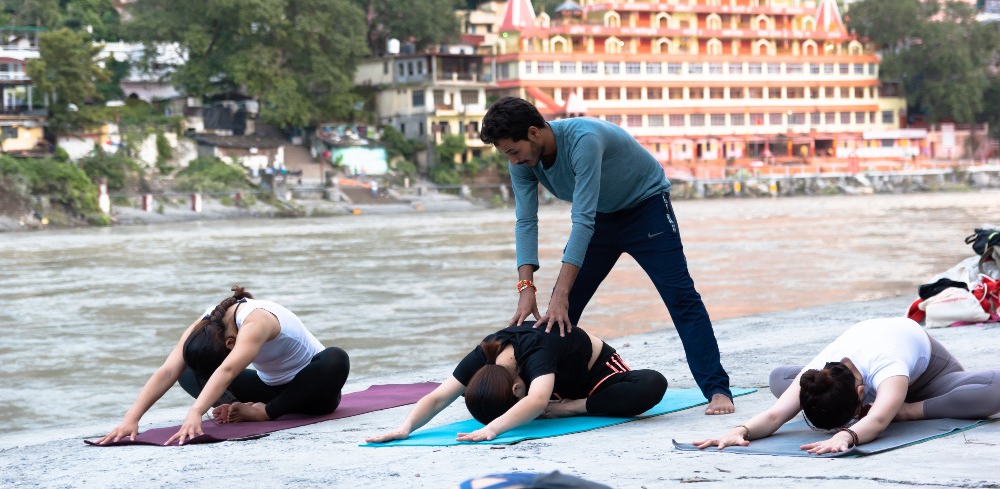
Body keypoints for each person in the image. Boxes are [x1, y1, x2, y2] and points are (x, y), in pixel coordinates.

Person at [478, 97, 733, 415]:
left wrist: (559, 294)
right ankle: (540, 390)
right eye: (507, 155)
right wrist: (525, 288)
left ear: (533, 133)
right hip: (601, 217)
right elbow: (526, 221)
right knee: (560, 316)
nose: (512, 162)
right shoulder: (522, 163)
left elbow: (582, 220)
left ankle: (717, 389)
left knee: (680, 297)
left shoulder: (584, 140)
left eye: (513, 152)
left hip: (646, 209)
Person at [694, 317, 1000, 454]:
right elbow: (775, 416)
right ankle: (893, 406)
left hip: (930, 379)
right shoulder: (819, 367)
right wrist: (740, 430)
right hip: (873, 387)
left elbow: (878, 421)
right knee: (780, 378)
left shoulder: (886, 364)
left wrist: (849, 435)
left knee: (993, 388)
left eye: (852, 414)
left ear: (858, 394)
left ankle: (906, 411)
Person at [97, 286, 350, 446]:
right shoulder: (209, 321)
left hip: (313, 393)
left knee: (336, 358)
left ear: (231, 343)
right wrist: (132, 419)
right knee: (187, 370)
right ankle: (246, 407)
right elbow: (168, 370)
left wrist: (195, 412)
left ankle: (264, 412)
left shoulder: (256, 321)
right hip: (268, 387)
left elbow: (227, 371)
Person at [366, 321, 667, 443]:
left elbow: (536, 401)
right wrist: (404, 428)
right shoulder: (485, 353)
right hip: (549, 384)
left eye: (515, 402)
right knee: (472, 394)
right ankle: (561, 404)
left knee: (652, 384)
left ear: (516, 389)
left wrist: (492, 429)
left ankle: (572, 407)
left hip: (595, 376)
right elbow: (438, 396)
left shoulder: (537, 351)